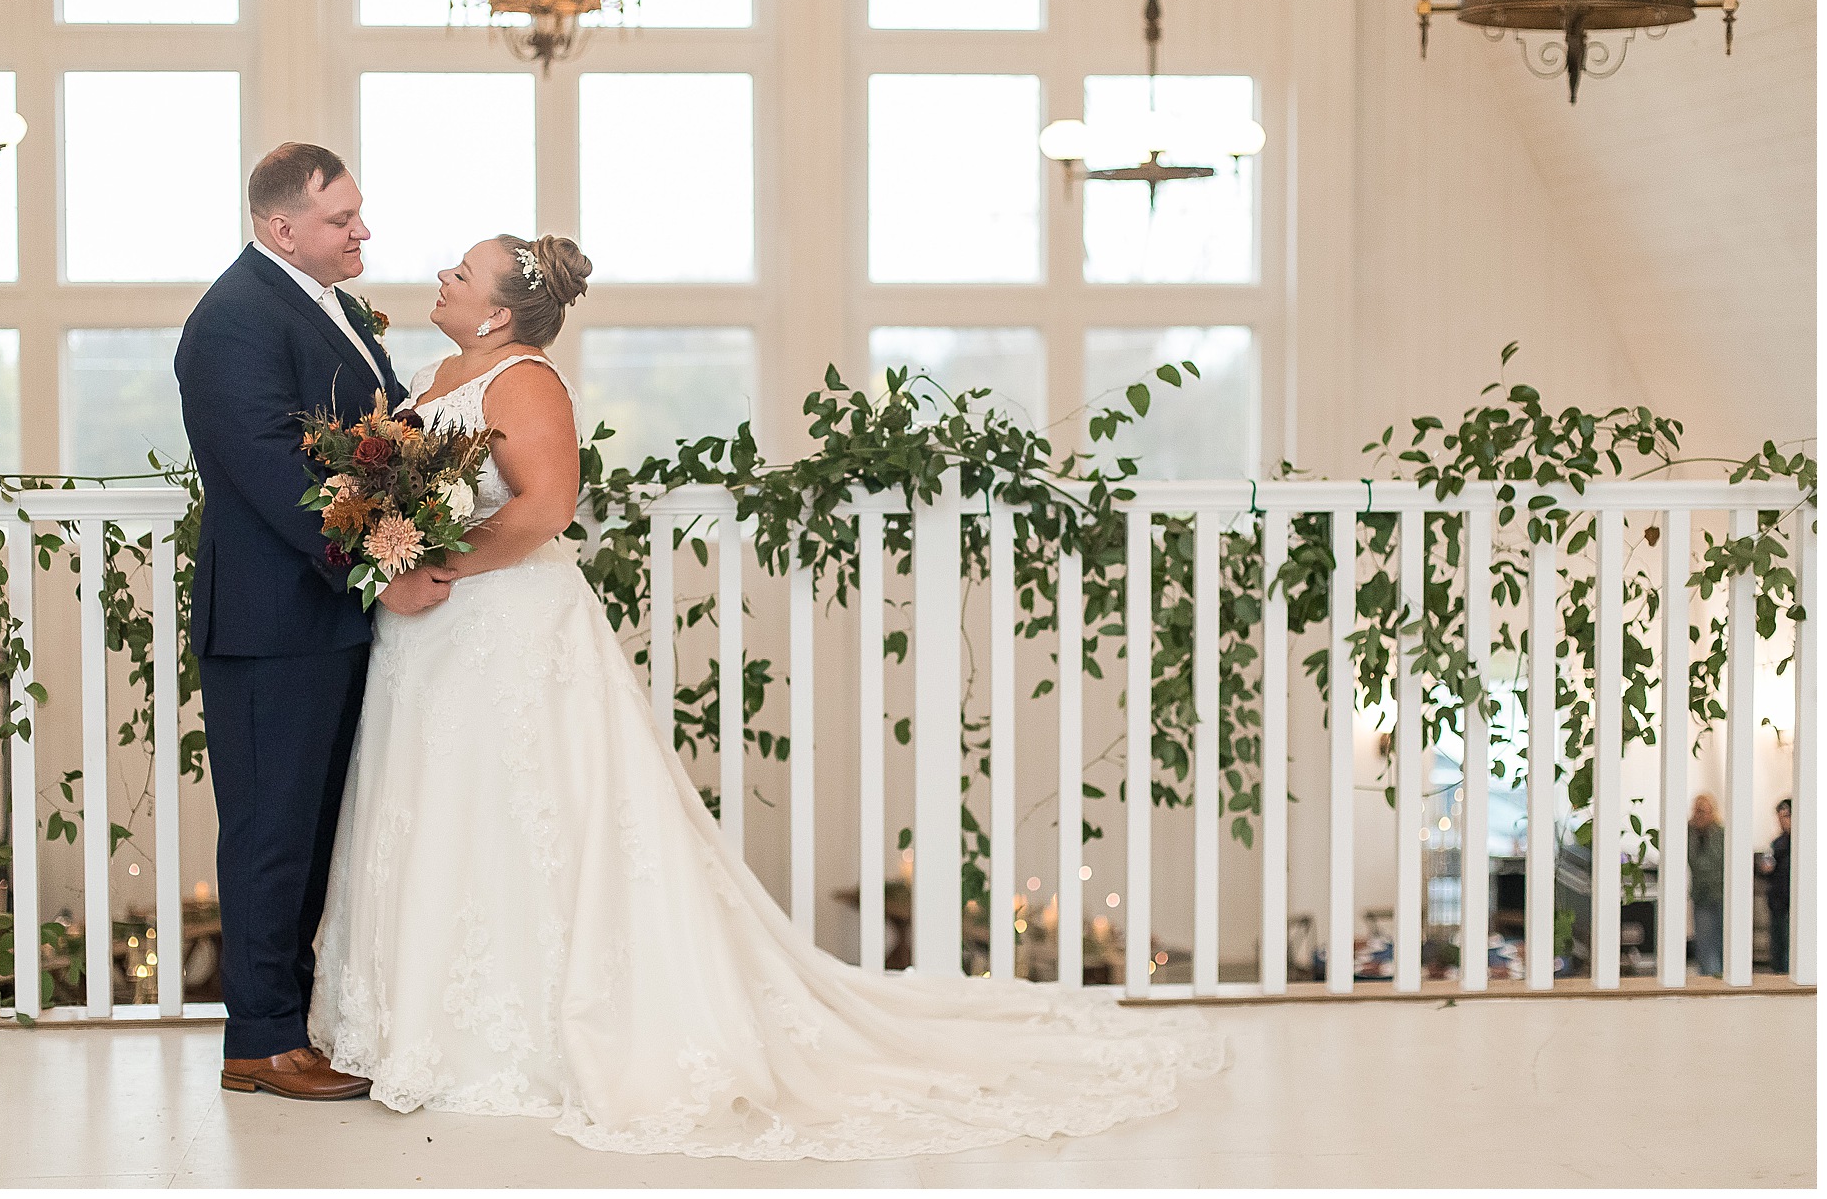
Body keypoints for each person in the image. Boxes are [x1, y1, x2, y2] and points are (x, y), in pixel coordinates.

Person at [307, 233, 1223, 1160]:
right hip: (430, 638)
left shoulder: (525, 381)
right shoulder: (434, 375)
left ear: (500, 312)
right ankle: (421, 1021)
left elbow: (545, 507)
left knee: (529, 815)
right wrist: (392, 546)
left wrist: (435, 560)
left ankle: (521, 1036)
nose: (444, 277)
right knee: (448, 811)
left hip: (504, 629)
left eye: (462, 273)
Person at [176, 143, 443, 1102]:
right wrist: (383, 564)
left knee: (316, 826)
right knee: (270, 833)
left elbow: (379, 433)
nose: (363, 230)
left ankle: (294, 1025)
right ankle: (259, 1040)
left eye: (358, 213)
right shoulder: (231, 320)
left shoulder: (329, 304)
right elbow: (272, 471)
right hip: (271, 622)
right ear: (282, 228)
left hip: (322, 620)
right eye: (342, 219)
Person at [1687, 793, 1725, 978]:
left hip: (1720, 893)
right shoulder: (1689, 834)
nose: (1699, 815)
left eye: (1703, 811)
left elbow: (1716, 861)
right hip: (1701, 895)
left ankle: (1719, 975)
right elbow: (1694, 861)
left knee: (1720, 940)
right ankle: (1708, 977)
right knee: (1703, 941)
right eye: (1697, 810)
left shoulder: (1720, 834)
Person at [1759, 797, 1792, 974]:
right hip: (1778, 902)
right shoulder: (1777, 843)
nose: (1782, 821)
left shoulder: (1806, 842)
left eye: (1786, 816)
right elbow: (1765, 864)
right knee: (1778, 945)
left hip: (1793, 903)